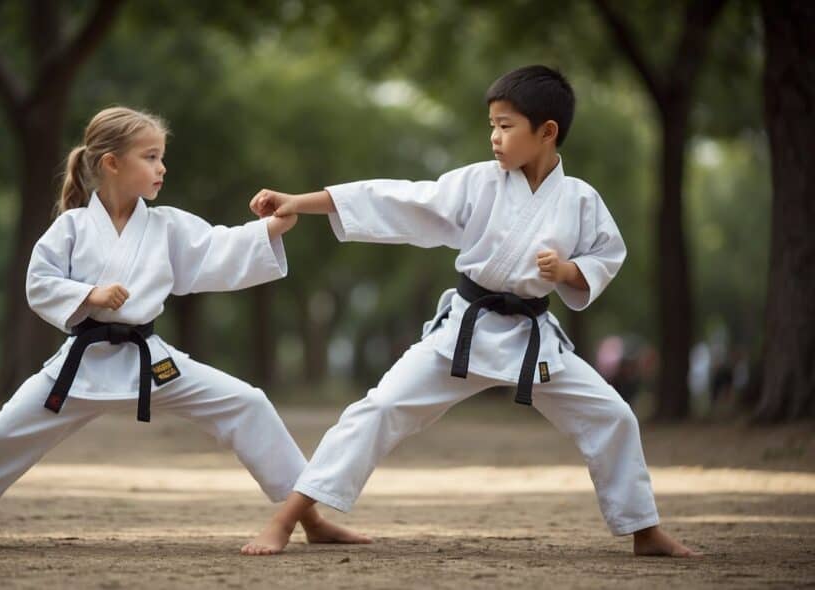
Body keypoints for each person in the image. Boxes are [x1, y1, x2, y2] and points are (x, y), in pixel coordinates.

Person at [0, 106, 367, 550]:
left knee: (247, 402)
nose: (162, 167)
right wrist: (87, 295)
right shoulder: (72, 226)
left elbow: (220, 248)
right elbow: (39, 281)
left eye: (162, 156)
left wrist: (274, 227)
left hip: (151, 361)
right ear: (111, 163)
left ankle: (311, 520)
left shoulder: (165, 225)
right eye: (151, 157)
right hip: (82, 366)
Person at [241, 66, 698, 557]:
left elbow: (606, 255)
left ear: (547, 132)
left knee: (613, 415)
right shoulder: (479, 183)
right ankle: (289, 519)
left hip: (531, 339)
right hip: (464, 330)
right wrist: (299, 202)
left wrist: (568, 272)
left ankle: (644, 531)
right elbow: (396, 198)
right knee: (378, 409)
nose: (495, 138)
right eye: (492, 126)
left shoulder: (581, 199)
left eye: (506, 126)